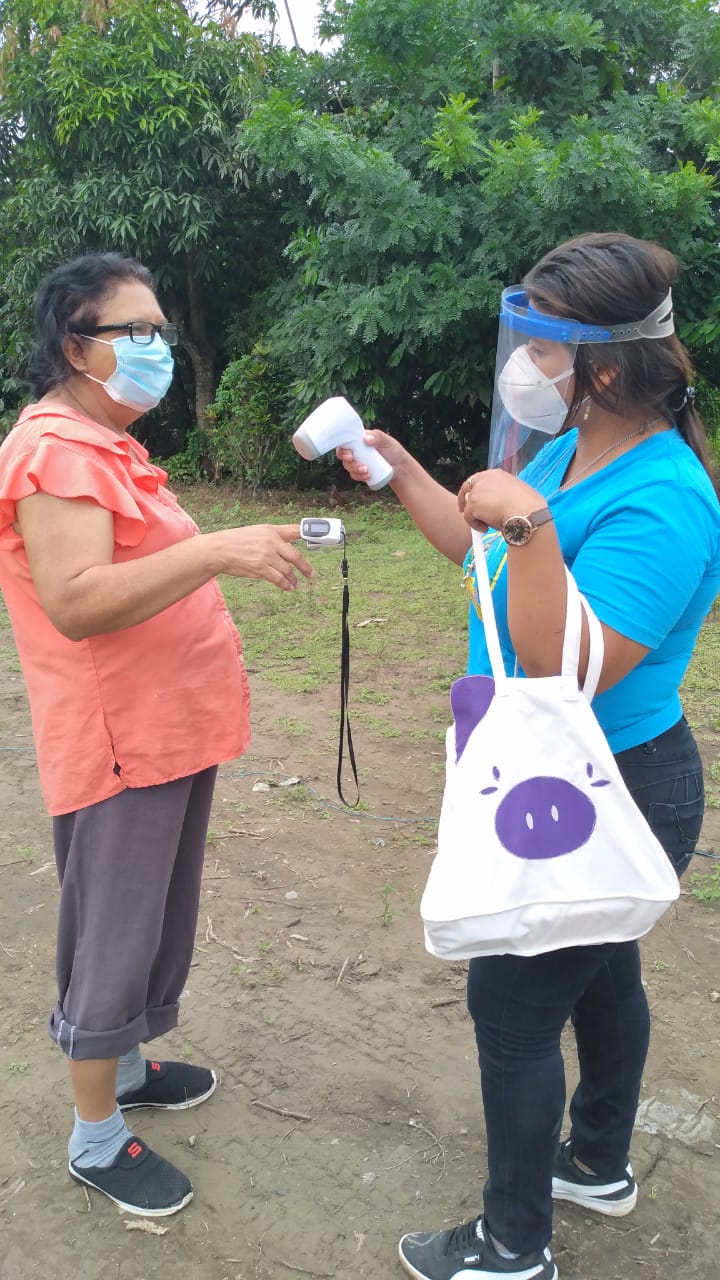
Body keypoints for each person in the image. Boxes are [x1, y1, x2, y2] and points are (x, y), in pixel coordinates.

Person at [338, 232, 720, 1280]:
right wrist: (405, 471)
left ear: (604, 368)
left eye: (544, 349)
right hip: (555, 772)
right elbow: (480, 550)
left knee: (510, 1012)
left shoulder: (665, 497)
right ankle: (595, 1162)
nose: (525, 368)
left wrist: (535, 527)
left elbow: (566, 666)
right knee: (601, 976)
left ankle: (513, 1246)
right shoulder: (569, 448)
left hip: (611, 781)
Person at [0, 253, 313, 1218]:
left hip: (168, 732)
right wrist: (215, 549)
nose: (155, 348)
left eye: (160, 332)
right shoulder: (55, 449)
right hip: (121, 743)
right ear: (75, 347)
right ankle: (96, 1137)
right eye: (132, 331)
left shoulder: (109, 445)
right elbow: (76, 601)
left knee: (153, 919)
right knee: (115, 930)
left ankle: (129, 1069)